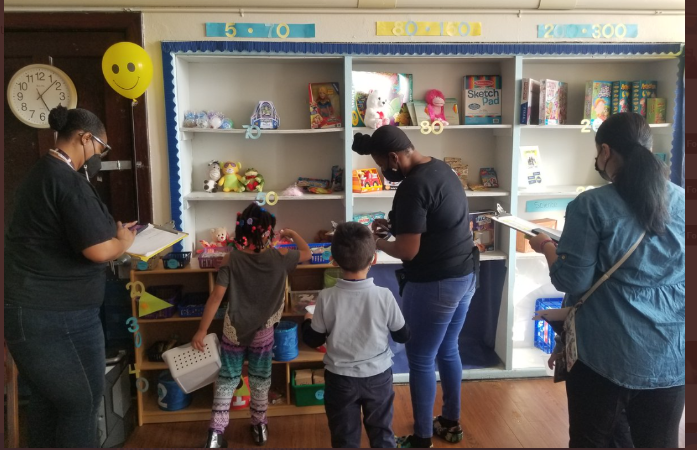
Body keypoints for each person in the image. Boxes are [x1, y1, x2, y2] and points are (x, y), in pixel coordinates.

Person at [529, 112, 685, 448]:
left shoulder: (591, 205)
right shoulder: (684, 202)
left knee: (592, 441)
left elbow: (572, 279)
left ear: (605, 152)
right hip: (671, 355)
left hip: (606, 355)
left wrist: (545, 246)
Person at [4, 106, 136, 448]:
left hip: (37, 315)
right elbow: (97, 250)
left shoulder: (43, 174)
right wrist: (122, 242)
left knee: (51, 402)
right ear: (84, 138)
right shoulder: (63, 179)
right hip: (58, 319)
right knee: (81, 403)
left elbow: (77, 231)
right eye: (101, 149)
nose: (99, 158)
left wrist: (114, 233)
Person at [352, 125, 478, 448]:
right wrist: (395, 227)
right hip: (465, 276)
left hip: (435, 285)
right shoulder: (440, 168)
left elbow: (409, 251)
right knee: (449, 349)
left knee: (421, 358)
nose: (383, 171)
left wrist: (378, 242)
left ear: (394, 157)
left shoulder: (411, 187)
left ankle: (422, 439)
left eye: (382, 164)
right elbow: (435, 220)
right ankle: (450, 422)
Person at [192, 203, 311, 448]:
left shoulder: (230, 259)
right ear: (269, 232)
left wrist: (202, 330)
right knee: (260, 379)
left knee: (227, 379)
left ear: (240, 230)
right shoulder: (280, 258)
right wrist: (291, 234)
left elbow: (216, 297)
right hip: (263, 332)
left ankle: (215, 434)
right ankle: (259, 428)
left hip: (233, 330)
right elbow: (307, 252)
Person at [302, 222, 411, 448]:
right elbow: (402, 336)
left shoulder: (326, 297)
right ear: (374, 259)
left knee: (344, 438)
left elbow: (314, 340)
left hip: (340, 379)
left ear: (334, 261)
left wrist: (307, 322)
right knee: (382, 435)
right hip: (378, 377)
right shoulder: (384, 296)